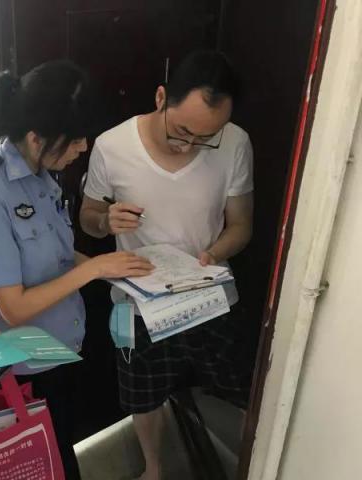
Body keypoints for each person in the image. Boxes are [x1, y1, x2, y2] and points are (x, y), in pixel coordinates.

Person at [0, 60, 154, 479]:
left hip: (59, 353)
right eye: (76, 139)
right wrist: (95, 269)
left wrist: (114, 270)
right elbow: (13, 308)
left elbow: (60, 258)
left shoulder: (43, 176)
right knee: (39, 466)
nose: (84, 147)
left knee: (60, 456)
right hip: (22, 370)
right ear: (35, 137)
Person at [79, 50, 254, 480]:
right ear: (161, 98)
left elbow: (241, 225)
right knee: (143, 396)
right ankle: (154, 469)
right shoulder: (112, 146)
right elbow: (88, 217)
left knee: (237, 390)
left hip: (210, 298)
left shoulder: (235, 142)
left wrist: (213, 255)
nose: (189, 145)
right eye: (183, 131)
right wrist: (105, 220)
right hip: (138, 305)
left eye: (207, 136)